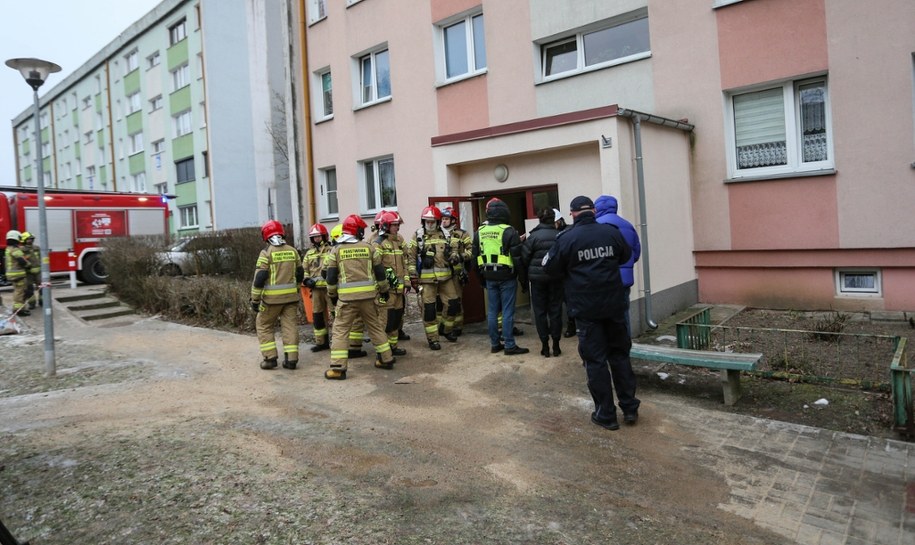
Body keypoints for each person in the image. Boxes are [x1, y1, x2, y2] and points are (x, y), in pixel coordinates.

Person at [543, 196, 638, 430]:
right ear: (593, 211)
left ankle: (606, 414)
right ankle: (629, 408)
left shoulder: (567, 238)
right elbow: (626, 256)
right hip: (614, 305)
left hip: (586, 310)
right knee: (620, 356)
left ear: (572, 213)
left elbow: (549, 267)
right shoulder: (611, 232)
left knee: (595, 361)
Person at [324, 214, 396, 379]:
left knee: (340, 331)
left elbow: (331, 277)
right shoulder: (369, 248)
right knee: (375, 327)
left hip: (346, 300)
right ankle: (386, 359)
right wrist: (384, 290)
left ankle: (337, 368)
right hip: (368, 298)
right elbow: (380, 273)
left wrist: (332, 295)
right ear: (356, 231)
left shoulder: (336, 250)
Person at [472, 198, 529, 355]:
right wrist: (524, 281)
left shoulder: (479, 232)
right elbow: (518, 260)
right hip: (507, 278)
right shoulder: (509, 231)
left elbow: (474, 260)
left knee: (492, 312)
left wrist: (481, 280)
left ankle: (495, 344)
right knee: (507, 311)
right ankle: (509, 345)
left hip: (489, 277)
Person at [250, 220, 304, 370]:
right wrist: (296, 289)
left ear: (265, 236)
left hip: (271, 300)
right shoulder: (293, 251)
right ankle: (291, 360)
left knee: (264, 325)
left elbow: (260, 278)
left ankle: (270, 358)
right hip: (291, 298)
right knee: (290, 327)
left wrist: (255, 300)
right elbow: (300, 273)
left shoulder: (266, 253)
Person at [405, 206, 460, 350]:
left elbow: (454, 249)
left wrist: (454, 256)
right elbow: (411, 257)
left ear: (437, 221)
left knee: (453, 304)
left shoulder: (446, 234)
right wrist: (413, 276)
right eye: (427, 221)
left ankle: (446, 330)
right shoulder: (418, 236)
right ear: (423, 221)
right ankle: (433, 339)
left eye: (432, 221)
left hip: (446, 278)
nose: (430, 224)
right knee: (429, 310)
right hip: (427, 281)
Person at [520, 208, 564, 357]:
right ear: (554, 219)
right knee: (555, 311)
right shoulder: (560, 236)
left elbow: (524, 258)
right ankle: (556, 345)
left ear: (539, 219)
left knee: (540, 312)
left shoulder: (533, 237)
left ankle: (545, 346)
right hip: (556, 278)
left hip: (537, 280)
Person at [595, 195, 641, 335]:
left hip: (602, 279)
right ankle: (625, 344)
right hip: (623, 281)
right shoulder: (628, 225)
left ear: (597, 208)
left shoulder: (595, 226)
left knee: (603, 317)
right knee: (623, 315)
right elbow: (636, 253)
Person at [372, 210, 408, 356]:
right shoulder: (378, 243)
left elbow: (405, 263)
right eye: (394, 225)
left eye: (398, 225)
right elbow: (376, 266)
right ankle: (383, 352)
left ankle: (393, 347)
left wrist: (407, 281)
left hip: (399, 290)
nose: (397, 228)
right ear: (386, 226)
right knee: (384, 321)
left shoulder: (399, 241)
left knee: (395, 319)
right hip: (386, 290)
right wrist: (386, 281)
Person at [438, 206, 472, 336]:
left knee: (456, 301)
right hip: (440, 273)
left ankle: (457, 327)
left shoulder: (462, 234)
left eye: (446, 219)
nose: (444, 221)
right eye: (442, 219)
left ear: (453, 220)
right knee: (441, 302)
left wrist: (461, 257)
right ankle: (442, 327)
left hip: (456, 275)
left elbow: (471, 250)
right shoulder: (438, 234)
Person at [302, 223, 333, 352]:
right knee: (318, 316)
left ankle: (339, 341)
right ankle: (322, 342)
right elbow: (304, 270)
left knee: (336, 315)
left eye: (319, 236)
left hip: (330, 289)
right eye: (314, 237)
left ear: (324, 236)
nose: (317, 239)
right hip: (315, 291)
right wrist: (306, 280)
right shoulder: (309, 254)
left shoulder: (332, 250)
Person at [5, 230, 30, 316]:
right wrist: (29, 265)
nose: (20, 240)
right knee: (20, 292)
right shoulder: (15, 249)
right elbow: (22, 261)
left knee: (17, 291)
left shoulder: (8, 248)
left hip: (11, 274)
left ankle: (19, 308)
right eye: (19, 238)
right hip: (18, 274)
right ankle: (19, 310)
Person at [20, 231, 41, 310]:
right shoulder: (21, 250)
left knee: (42, 287)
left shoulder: (37, 248)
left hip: (38, 272)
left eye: (32, 239)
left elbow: (41, 258)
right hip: (28, 273)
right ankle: (32, 303)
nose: (31, 240)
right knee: (29, 289)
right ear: (24, 240)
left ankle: (42, 301)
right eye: (29, 239)